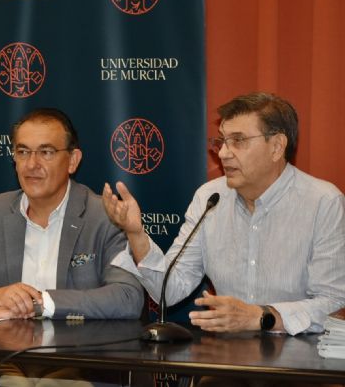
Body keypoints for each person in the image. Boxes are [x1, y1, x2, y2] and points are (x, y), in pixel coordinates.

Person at [0, 108, 144, 385]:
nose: (32, 164)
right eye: (23, 152)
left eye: (46, 152)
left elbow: (127, 298)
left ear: (72, 160)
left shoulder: (103, 216)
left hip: (80, 359)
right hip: (5, 357)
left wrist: (41, 303)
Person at [103, 92, 345, 338]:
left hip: (301, 360)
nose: (223, 153)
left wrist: (261, 316)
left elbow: (333, 304)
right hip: (230, 359)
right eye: (221, 141)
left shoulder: (323, 202)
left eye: (238, 141)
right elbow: (170, 291)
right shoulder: (209, 197)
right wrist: (136, 234)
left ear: (276, 147)